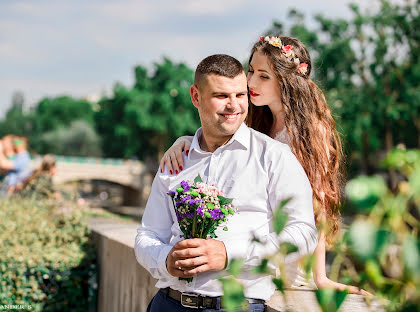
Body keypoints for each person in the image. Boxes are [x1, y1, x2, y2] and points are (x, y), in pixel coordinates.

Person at [160, 35, 371, 295]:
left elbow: (317, 204)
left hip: (279, 256)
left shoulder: (309, 131)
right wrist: (184, 141)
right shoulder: (257, 121)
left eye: (263, 76)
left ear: (286, 81)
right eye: (250, 72)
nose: (250, 83)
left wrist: (320, 276)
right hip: (247, 249)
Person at [135, 54, 318, 312]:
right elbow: (148, 235)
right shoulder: (176, 160)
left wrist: (229, 253)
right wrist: (165, 259)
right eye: (222, 96)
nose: (234, 105)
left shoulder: (274, 156)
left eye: (240, 95)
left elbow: (303, 233)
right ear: (196, 97)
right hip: (168, 303)